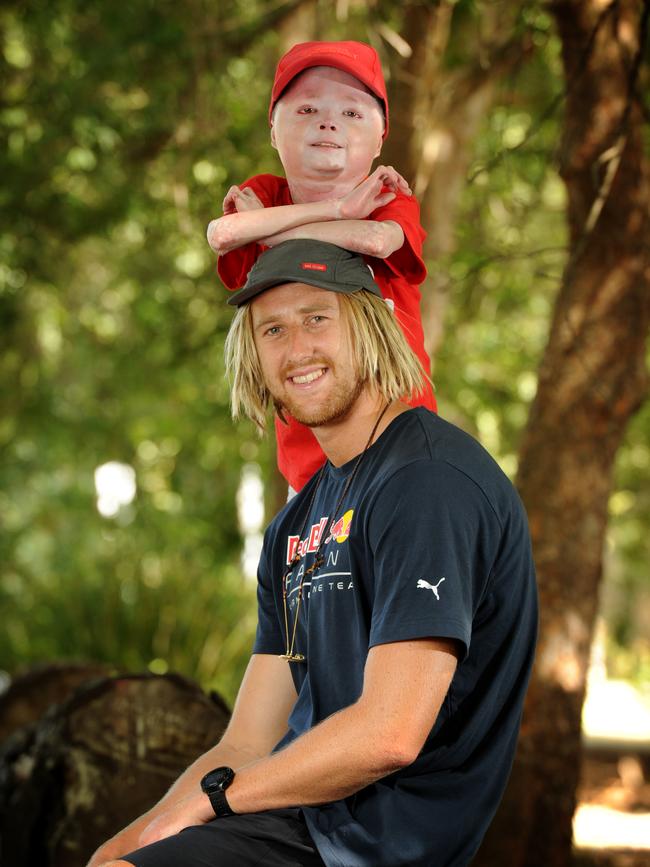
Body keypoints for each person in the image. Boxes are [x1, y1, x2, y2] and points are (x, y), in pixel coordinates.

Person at [88, 239, 538, 867]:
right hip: (292, 821)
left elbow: (389, 734)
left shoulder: (427, 482)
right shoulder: (295, 524)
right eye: (272, 329)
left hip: (369, 846)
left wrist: (213, 803)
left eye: (317, 318)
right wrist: (135, 836)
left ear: (371, 326)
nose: (296, 348)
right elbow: (247, 742)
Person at [207, 40, 437, 493]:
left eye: (352, 113)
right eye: (307, 109)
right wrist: (338, 211)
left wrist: (269, 234)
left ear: (380, 138)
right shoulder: (266, 192)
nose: (329, 121)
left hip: (397, 442)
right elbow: (222, 235)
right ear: (273, 132)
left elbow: (374, 239)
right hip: (308, 463)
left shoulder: (387, 197)